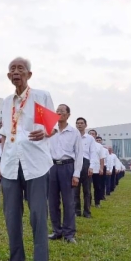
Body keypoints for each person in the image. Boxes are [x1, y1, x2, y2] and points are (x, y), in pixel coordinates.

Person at [0, 56, 54, 261]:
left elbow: (50, 126)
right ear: (9, 76)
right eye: (12, 69)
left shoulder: (40, 96)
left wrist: (46, 134)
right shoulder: (6, 101)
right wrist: (0, 163)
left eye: (20, 68)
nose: (16, 72)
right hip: (10, 164)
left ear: (29, 74)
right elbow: (7, 133)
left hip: (35, 164)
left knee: (38, 218)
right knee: (11, 217)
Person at [48, 104, 82, 243]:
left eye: (62, 111)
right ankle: (57, 230)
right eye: (57, 111)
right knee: (52, 201)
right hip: (52, 167)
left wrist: (76, 174)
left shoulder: (74, 133)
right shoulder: (50, 131)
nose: (59, 113)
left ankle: (69, 233)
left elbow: (79, 154)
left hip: (68, 167)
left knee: (68, 202)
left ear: (68, 115)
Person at [74, 117, 94, 218]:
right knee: (75, 190)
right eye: (77, 123)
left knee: (87, 190)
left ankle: (87, 211)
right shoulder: (73, 136)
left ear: (85, 125)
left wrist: (91, 167)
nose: (79, 125)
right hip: (75, 163)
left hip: (86, 163)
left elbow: (93, 153)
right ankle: (76, 211)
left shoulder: (90, 138)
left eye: (81, 123)